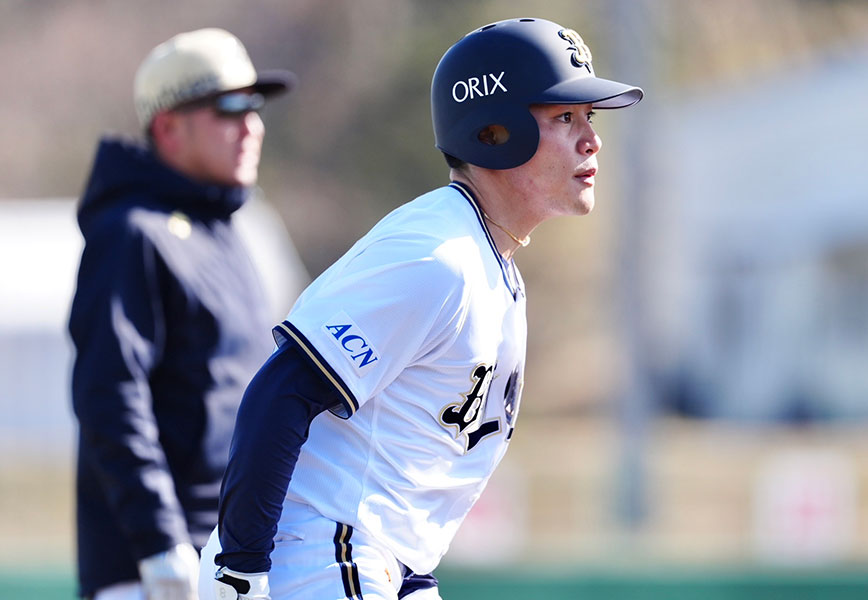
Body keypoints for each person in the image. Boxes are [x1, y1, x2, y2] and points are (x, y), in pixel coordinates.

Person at [199, 17, 642, 600]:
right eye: (565, 117)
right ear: (493, 131)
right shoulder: (437, 255)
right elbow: (280, 392)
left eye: (590, 118)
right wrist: (241, 569)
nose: (592, 139)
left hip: (367, 558)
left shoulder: (487, 262)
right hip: (313, 554)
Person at [68, 27, 295, 600]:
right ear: (168, 127)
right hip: (155, 569)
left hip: (226, 557)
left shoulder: (229, 234)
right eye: (229, 107)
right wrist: (158, 541)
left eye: (256, 107)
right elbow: (110, 397)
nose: (251, 126)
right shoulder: (131, 234)